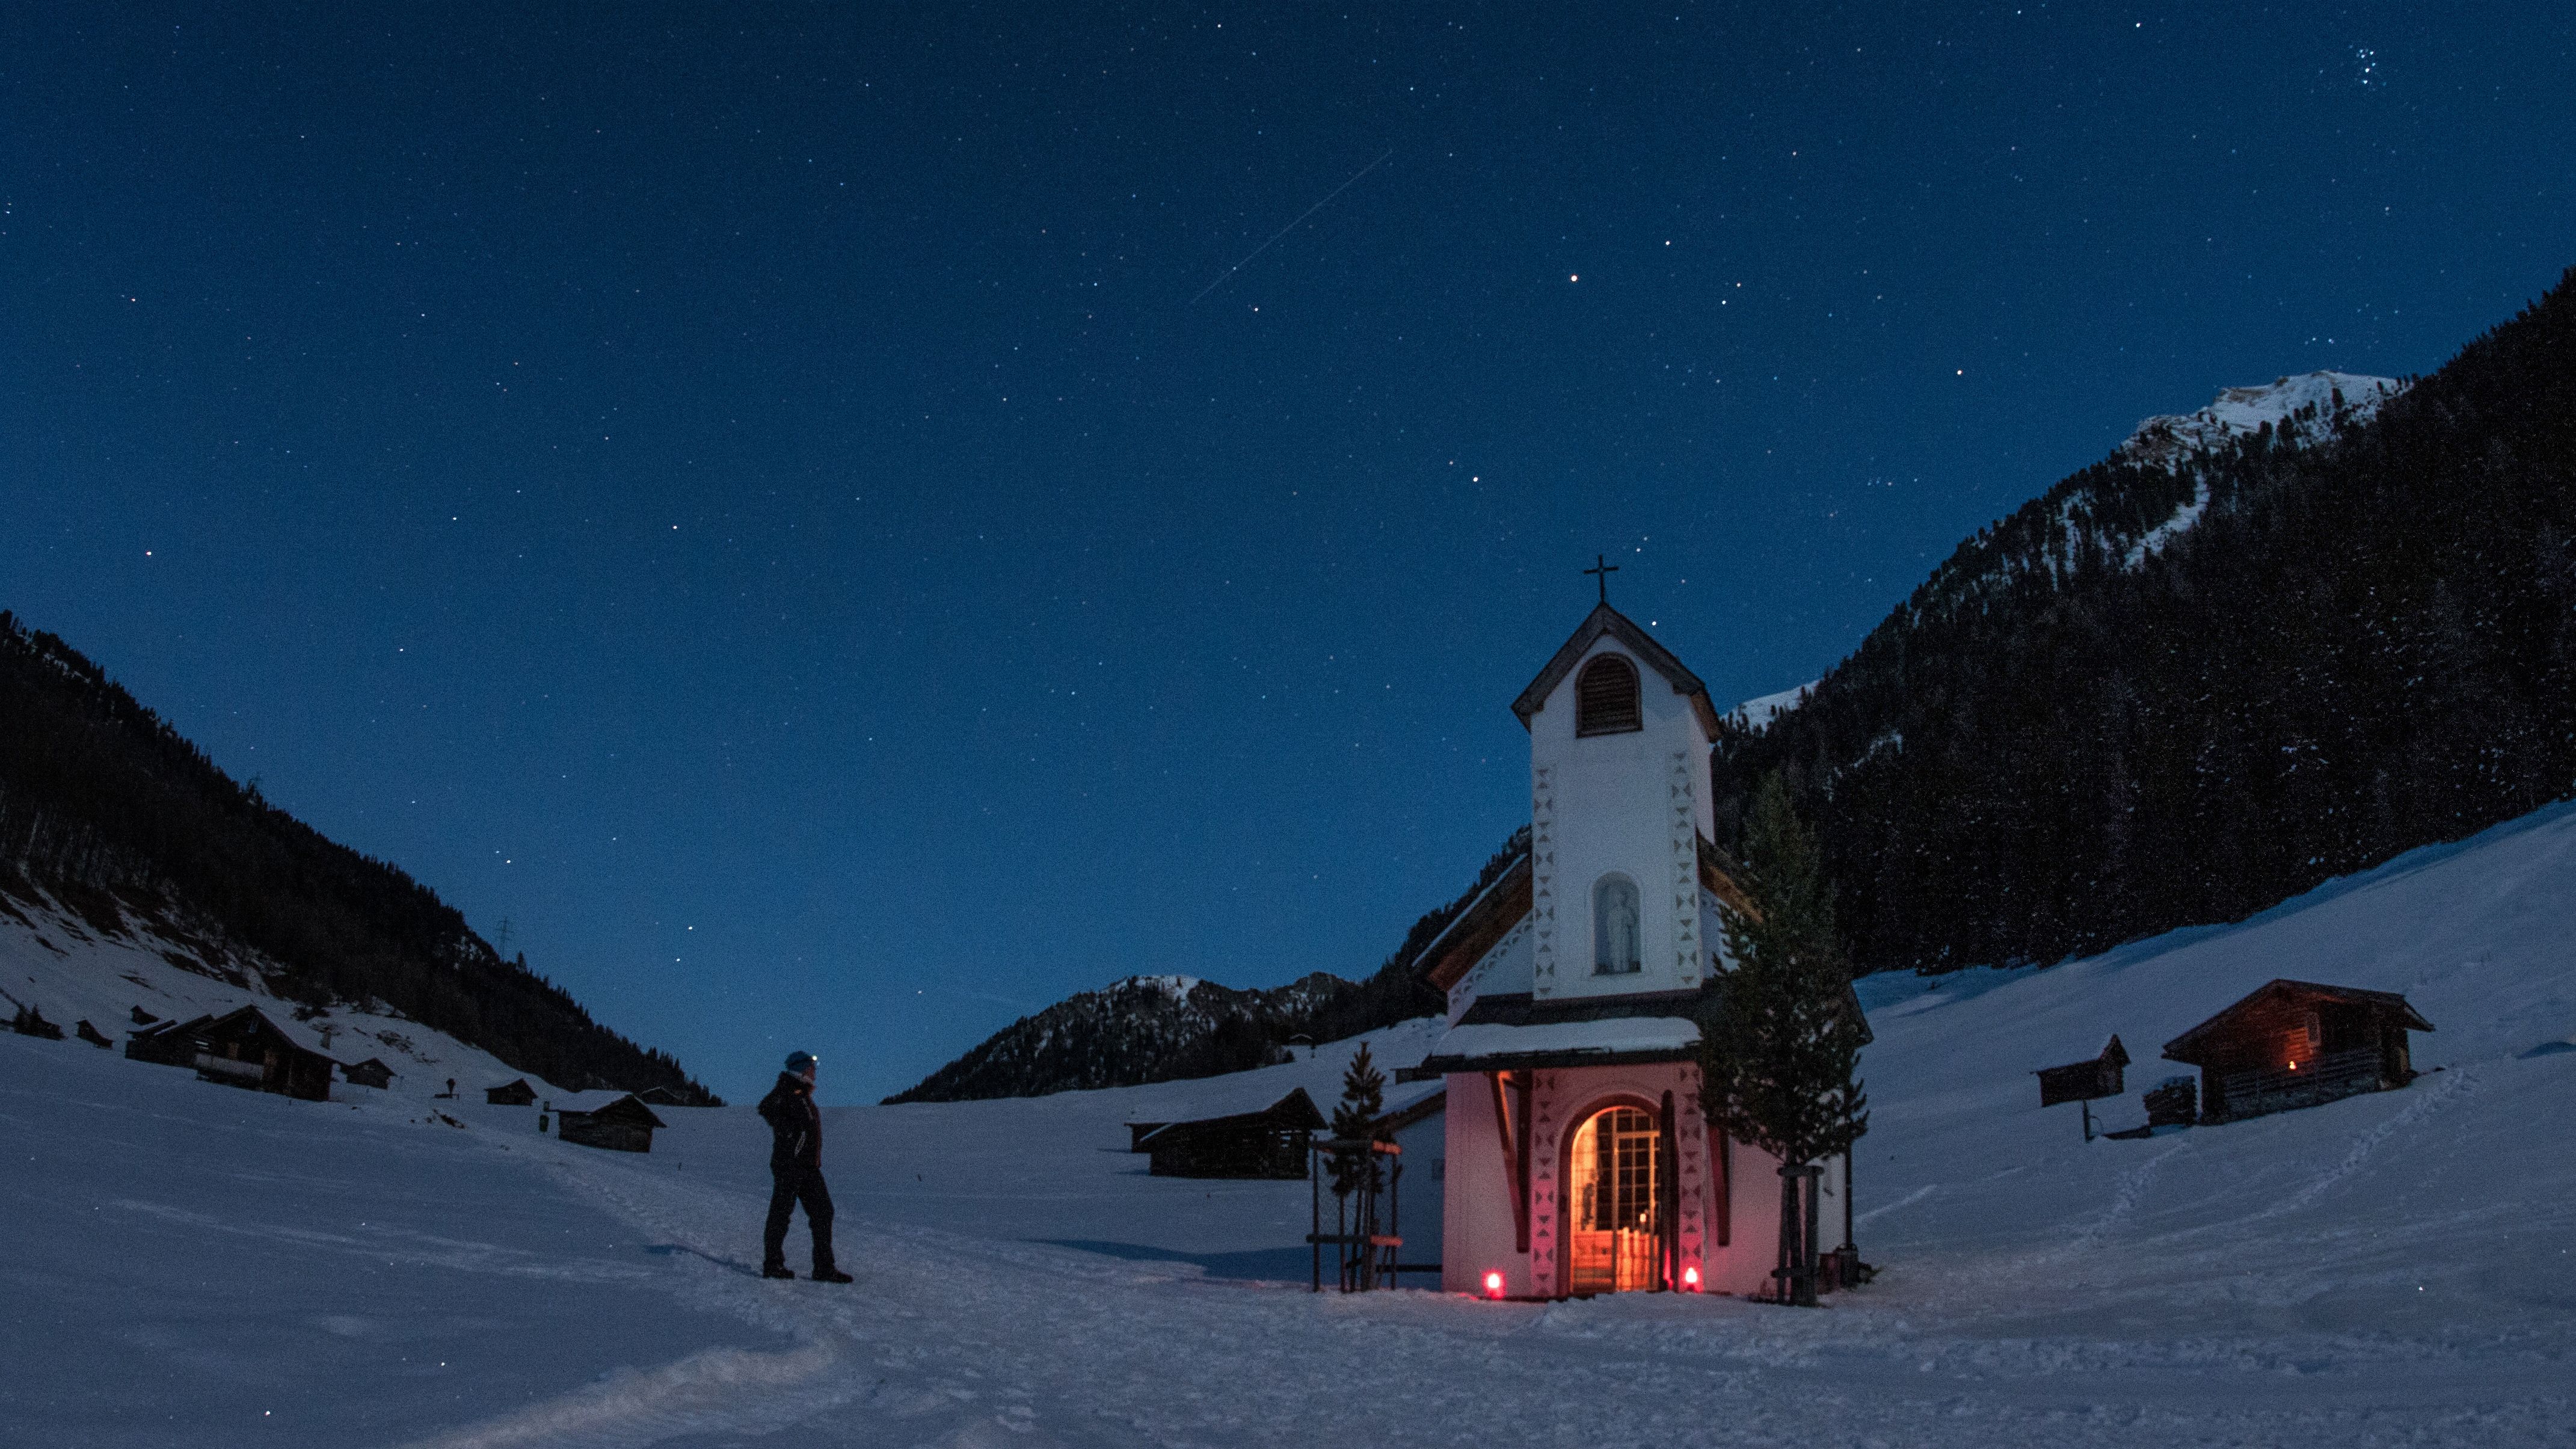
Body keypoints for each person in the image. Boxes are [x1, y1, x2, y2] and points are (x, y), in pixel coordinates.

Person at [757, 1050, 851, 1282]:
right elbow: (766, 1107)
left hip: (808, 1166)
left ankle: (824, 1268)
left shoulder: (802, 1093)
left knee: (823, 1211)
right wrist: (790, 1136)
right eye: (811, 1067)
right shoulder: (788, 1089)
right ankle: (773, 1265)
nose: (815, 1071)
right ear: (801, 1069)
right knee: (782, 1212)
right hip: (790, 1164)